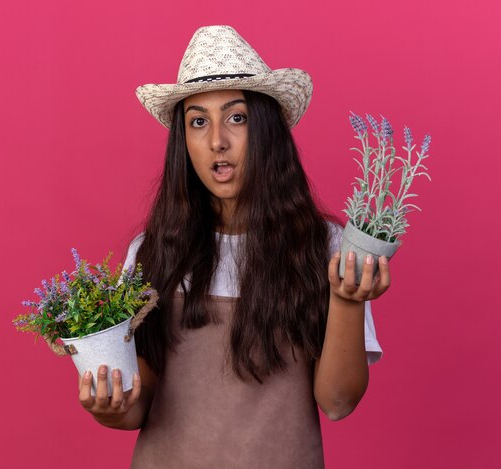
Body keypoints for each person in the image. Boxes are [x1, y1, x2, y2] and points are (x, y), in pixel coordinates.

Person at [78, 25, 389, 468]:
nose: (217, 140)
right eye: (198, 121)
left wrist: (347, 299)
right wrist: (108, 409)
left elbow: (337, 403)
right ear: (182, 142)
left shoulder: (327, 248)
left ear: (266, 131)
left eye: (236, 117)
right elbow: (137, 404)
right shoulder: (152, 253)